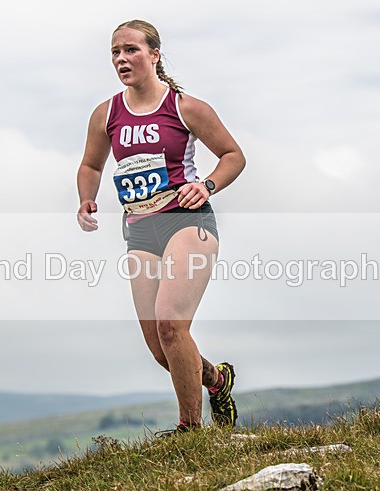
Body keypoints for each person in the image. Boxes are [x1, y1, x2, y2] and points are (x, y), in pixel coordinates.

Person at [76, 19, 245, 434]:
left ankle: (189, 429)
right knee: (160, 347)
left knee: (172, 325)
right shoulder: (106, 114)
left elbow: (233, 156)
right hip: (139, 230)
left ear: (154, 54)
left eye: (131, 49)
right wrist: (86, 198)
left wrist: (205, 186)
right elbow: (91, 164)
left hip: (187, 222)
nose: (121, 59)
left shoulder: (185, 108)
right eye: (115, 52)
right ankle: (218, 381)